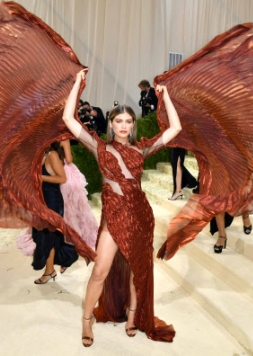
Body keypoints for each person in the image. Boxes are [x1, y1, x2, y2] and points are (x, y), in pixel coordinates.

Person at [63, 70, 180, 346]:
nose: (124, 126)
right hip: (114, 216)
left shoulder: (141, 149)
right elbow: (69, 119)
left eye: (129, 121)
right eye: (119, 121)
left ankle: (132, 316)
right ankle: (86, 320)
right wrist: (76, 85)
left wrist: (167, 97)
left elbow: (175, 129)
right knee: (100, 270)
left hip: (140, 215)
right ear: (111, 124)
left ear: (133, 124)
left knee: (137, 270)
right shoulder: (100, 147)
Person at [32, 141, 79, 284]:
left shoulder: (52, 154)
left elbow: (62, 178)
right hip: (43, 201)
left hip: (52, 202)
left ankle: (49, 271)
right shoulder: (44, 154)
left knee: (48, 236)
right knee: (46, 236)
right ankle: (57, 265)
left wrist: (40, 178)